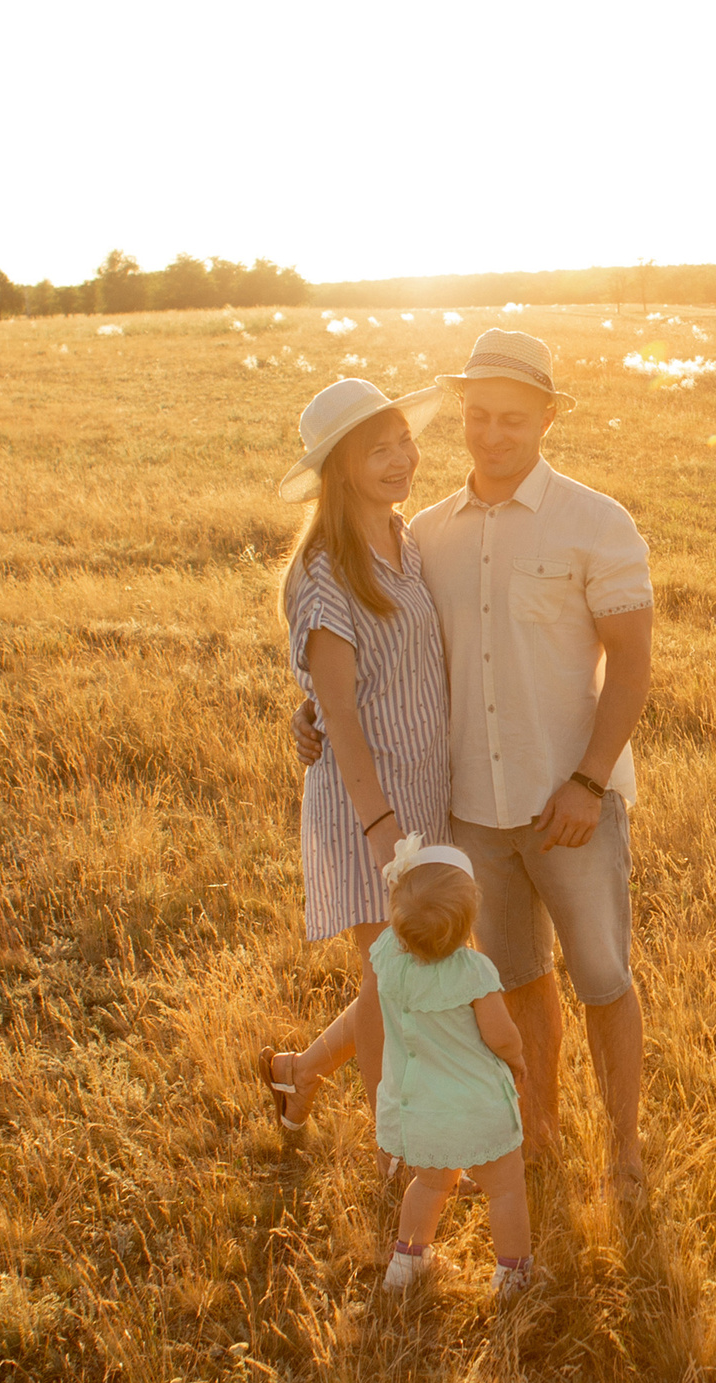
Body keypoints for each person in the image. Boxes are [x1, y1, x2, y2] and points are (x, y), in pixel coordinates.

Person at [298, 328, 655, 1203]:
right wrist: (313, 709)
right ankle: (538, 1136)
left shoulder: (596, 521)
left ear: (546, 418)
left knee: (604, 979)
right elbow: (371, 658)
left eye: (513, 418)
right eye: (478, 416)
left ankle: (626, 1153)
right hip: (469, 813)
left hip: (571, 800)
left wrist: (588, 779)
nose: (493, 434)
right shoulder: (424, 536)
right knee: (519, 979)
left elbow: (634, 665)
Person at [257, 378, 450, 1134]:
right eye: (380, 449)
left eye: (404, 439)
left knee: (396, 977)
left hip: (424, 792)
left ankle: (299, 1072)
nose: (403, 457)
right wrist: (381, 831)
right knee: (393, 980)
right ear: (340, 467)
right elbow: (337, 711)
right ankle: (398, 1153)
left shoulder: (407, 540)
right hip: (372, 805)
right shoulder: (327, 569)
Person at [370, 839, 533, 1297]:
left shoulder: (387, 959)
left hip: (422, 1107)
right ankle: (513, 1274)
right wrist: (516, 1057)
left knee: (429, 1183)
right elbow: (500, 1035)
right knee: (504, 1188)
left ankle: (406, 1264)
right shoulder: (474, 972)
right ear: (467, 926)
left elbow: (394, 928)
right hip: (476, 1106)